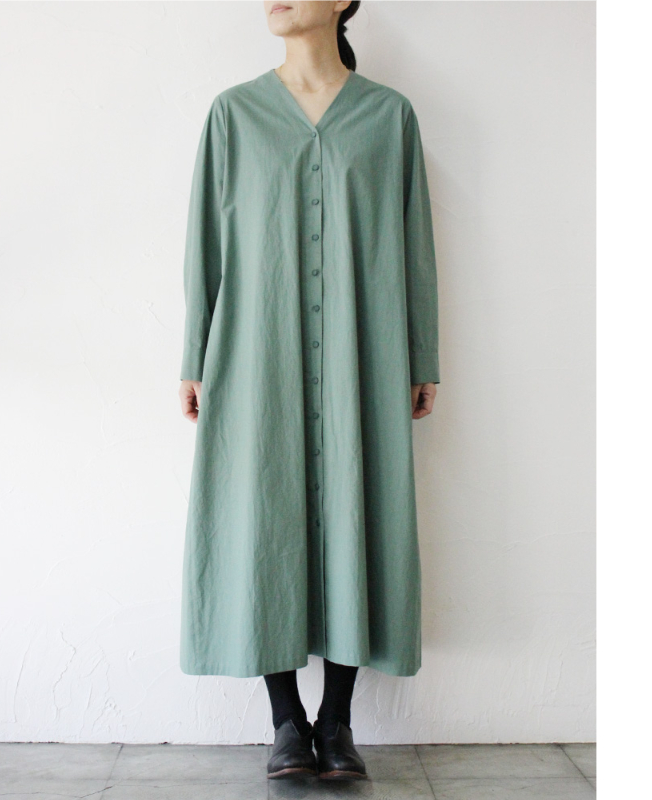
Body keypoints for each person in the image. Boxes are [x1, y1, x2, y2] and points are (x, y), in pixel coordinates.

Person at [177, 0, 440, 781]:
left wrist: (422, 354)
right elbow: (204, 244)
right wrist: (193, 356)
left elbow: (414, 240)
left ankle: (338, 722)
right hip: (256, 353)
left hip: (366, 352)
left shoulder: (389, 118)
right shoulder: (233, 115)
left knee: (363, 508)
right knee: (264, 515)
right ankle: (286, 722)